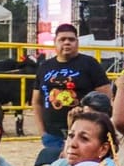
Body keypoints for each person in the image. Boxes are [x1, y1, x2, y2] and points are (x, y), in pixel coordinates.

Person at [32, 24, 110, 155]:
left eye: (71, 39)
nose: (67, 42)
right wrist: (42, 131)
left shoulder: (90, 64)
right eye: (62, 40)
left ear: (77, 42)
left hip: (83, 134)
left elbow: (105, 98)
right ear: (55, 43)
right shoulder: (45, 66)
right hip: (52, 135)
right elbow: (36, 101)